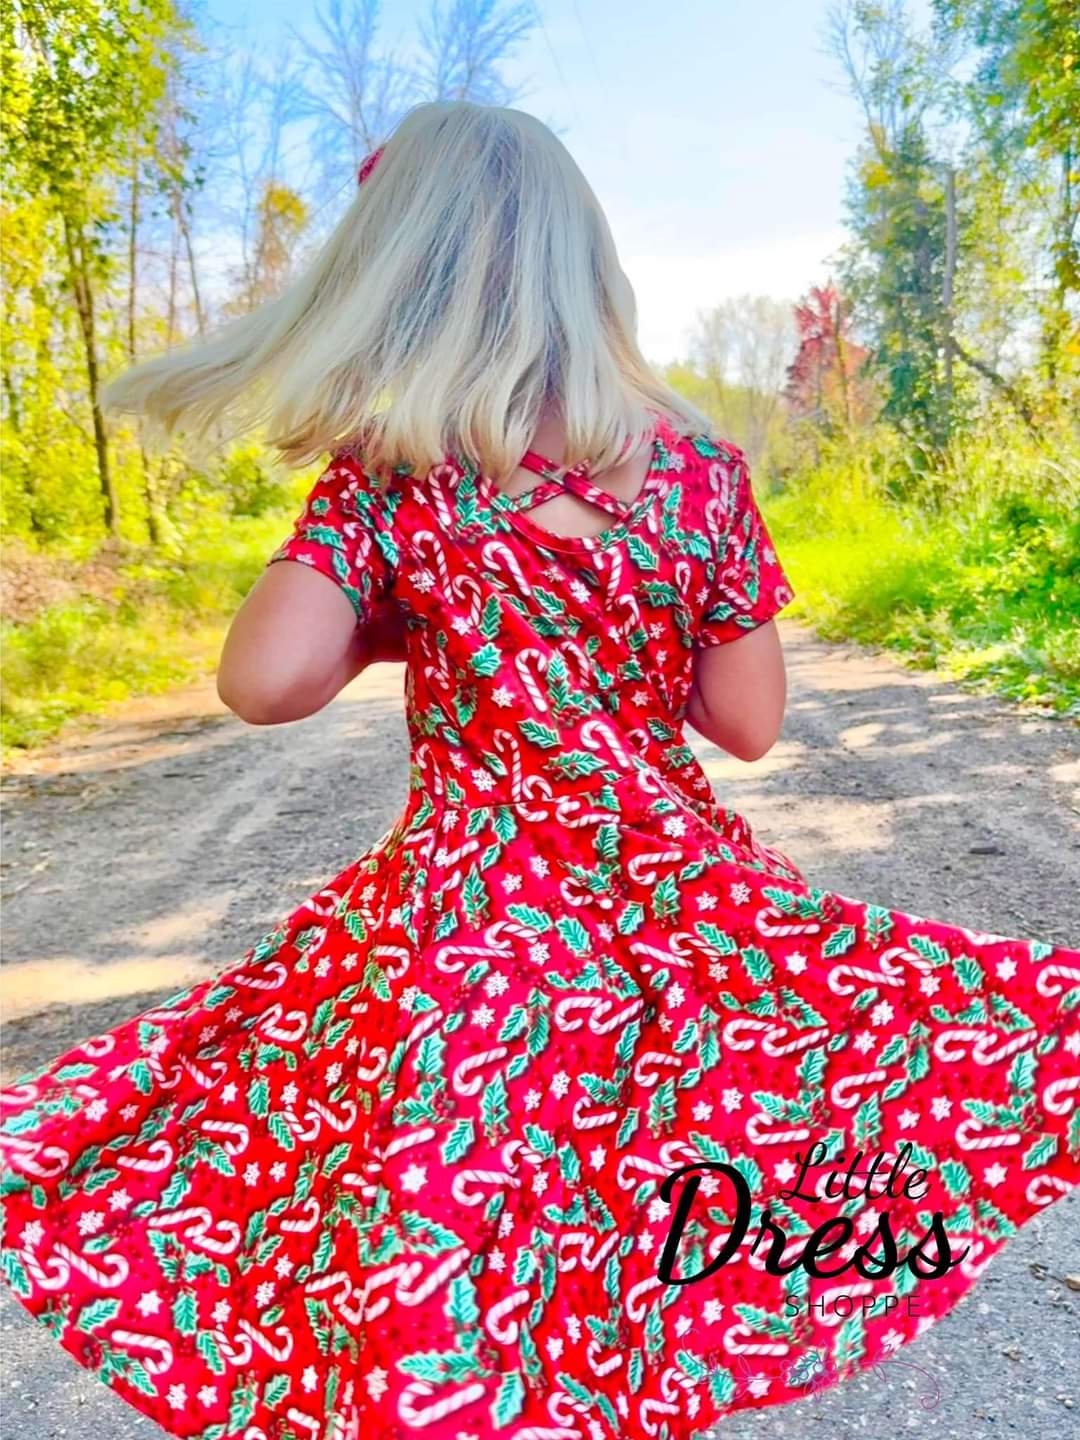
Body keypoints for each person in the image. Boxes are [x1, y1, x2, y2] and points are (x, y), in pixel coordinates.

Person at [1, 100, 1077, 1440]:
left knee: (453, 1266)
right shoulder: (700, 472)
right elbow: (746, 725)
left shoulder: (396, 480)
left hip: (468, 936)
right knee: (631, 1242)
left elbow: (263, 683)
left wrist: (402, 624)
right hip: (673, 923)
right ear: (591, 262)